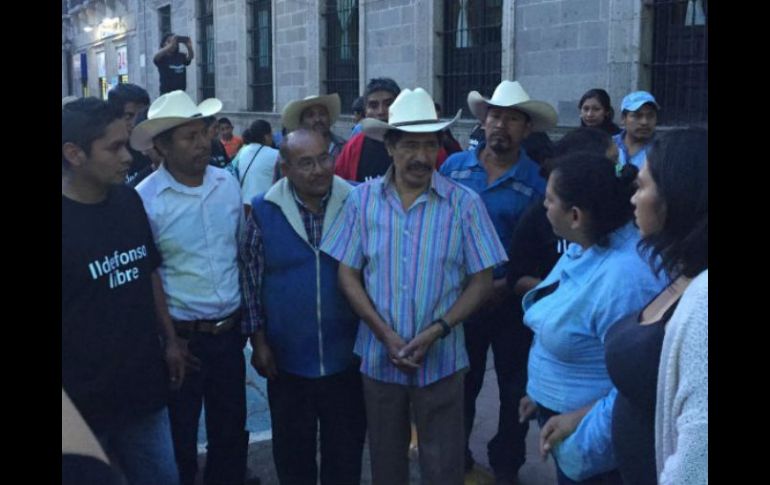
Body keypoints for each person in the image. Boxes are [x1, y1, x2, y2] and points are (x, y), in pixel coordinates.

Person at [322, 87, 507, 485]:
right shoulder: (361, 201)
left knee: (443, 466)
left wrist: (438, 330)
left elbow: (482, 280)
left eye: (429, 144)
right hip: (378, 357)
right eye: (409, 145)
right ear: (389, 146)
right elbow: (347, 274)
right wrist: (383, 333)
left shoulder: (464, 203)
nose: (421, 156)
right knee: (387, 465)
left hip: (442, 360)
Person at [518, 152, 667, 485]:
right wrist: (541, 393)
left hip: (595, 437)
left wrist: (578, 417)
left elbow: (638, 379)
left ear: (574, 216)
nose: (543, 207)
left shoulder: (624, 278)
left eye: (549, 200)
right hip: (565, 422)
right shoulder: (585, 245)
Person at [131, 90, 253, 485]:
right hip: (182, 342)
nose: (202, 143)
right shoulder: (146, 201)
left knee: (231, 430)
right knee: (180, 436)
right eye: (189, 137)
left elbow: (237, 252)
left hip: (228, 335)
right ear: (162, 146)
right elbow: (148, 276)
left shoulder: (226, 184)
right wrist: (168, 341)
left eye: (203, 132)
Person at [62, 97, 183, 485]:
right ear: (74, 154)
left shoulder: (129, 201)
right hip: (80, 406)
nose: (128, 157)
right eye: (114, 147)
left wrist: (170, 340)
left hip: (142, 389)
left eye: (127, 143)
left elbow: (149, 272)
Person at [241, 127, 366, 485]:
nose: (318, 170)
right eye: (306, 163)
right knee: (293, 454)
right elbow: (250, 279)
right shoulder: (264, 209)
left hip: (348, 356)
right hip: (287, 360)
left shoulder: (356, 200)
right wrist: (259, 342)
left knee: (345, 452)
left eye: (324, 158)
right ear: (285, 168)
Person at [604, 128, 708, 485]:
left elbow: (698, 460)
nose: (634, 198)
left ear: (676, 196)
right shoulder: (685, 273)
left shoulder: (706, 303)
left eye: (642, 187)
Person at [507, 127, 620, 301]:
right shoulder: (540, 215)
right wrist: (565, 290)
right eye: (612, 162)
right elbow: (516, 278)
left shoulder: (623, 215)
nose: (619, 170)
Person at [106, 82, 154, 186]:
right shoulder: (105, 154)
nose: (136, 122)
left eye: (142, 115)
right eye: (129, 116)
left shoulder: (154, 150)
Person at [230, 119, 279, 216]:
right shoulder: (275, 155)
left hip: (243, 206)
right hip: (263, 207)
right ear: (266, 136)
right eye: (271, 135)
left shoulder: (243, 151)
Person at [281, 93, 346, 161]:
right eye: (310, 115)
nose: (317, 119)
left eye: (322, 114)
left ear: (329, 118)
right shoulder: (291, 150)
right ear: (301, 122)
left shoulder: (344, 147)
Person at [613, 91, 659, 169]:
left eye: (650, 116)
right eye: (637, 116)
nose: (644, 122)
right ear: (623, 118)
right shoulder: (610, 145)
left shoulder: (662, 149)